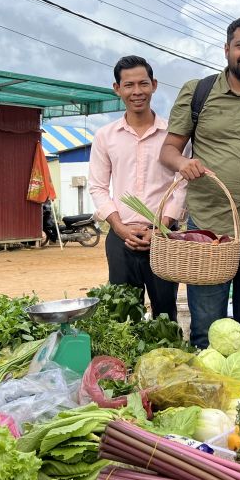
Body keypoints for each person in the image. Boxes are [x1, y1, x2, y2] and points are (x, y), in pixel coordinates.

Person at [160, 15, 240, 348]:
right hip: (210, 229)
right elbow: (169, 150)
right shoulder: (198, 92)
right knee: (206, 329)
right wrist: (183, 162)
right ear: (227, 49)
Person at [88, 56, 185, 321]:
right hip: (121, 239)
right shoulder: (105, 136)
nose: (137, 92)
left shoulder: (173, 134)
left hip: (163, 238)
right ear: (117, 89)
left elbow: (182, 184)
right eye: (129, 85)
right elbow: (97, 186)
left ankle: (168, 358)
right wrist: (119, 227)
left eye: (143, 84)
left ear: (154, 85)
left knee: (165, 313)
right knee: (122, 315)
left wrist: (160, 228)